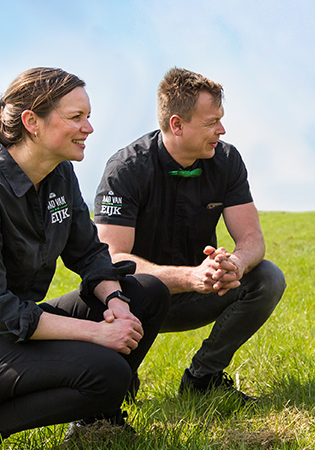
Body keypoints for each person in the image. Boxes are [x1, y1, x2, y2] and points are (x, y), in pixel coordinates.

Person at [0, 68, 170, 450]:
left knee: (147, 292)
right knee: (108, 371)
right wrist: (98, 334)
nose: (89, 127)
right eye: (75, 117)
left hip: (15, 332)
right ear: (32, 122)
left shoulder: (59, 174)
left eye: (87, 116)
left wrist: (115, 300)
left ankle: (94, 421)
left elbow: (88, 254)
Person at [93, 68, 285, 404]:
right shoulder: (126, 169)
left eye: (220, 120)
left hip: (201, 291)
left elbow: (252, 236)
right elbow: (113, 258)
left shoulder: (226, 161)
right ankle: (119, 376)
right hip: (135, 302)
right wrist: (189, 276)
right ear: (177, 124)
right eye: (212, 122)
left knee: (268, 277)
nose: (221, 130)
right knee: (113, 394)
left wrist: (235, 265)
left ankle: (203, 378)